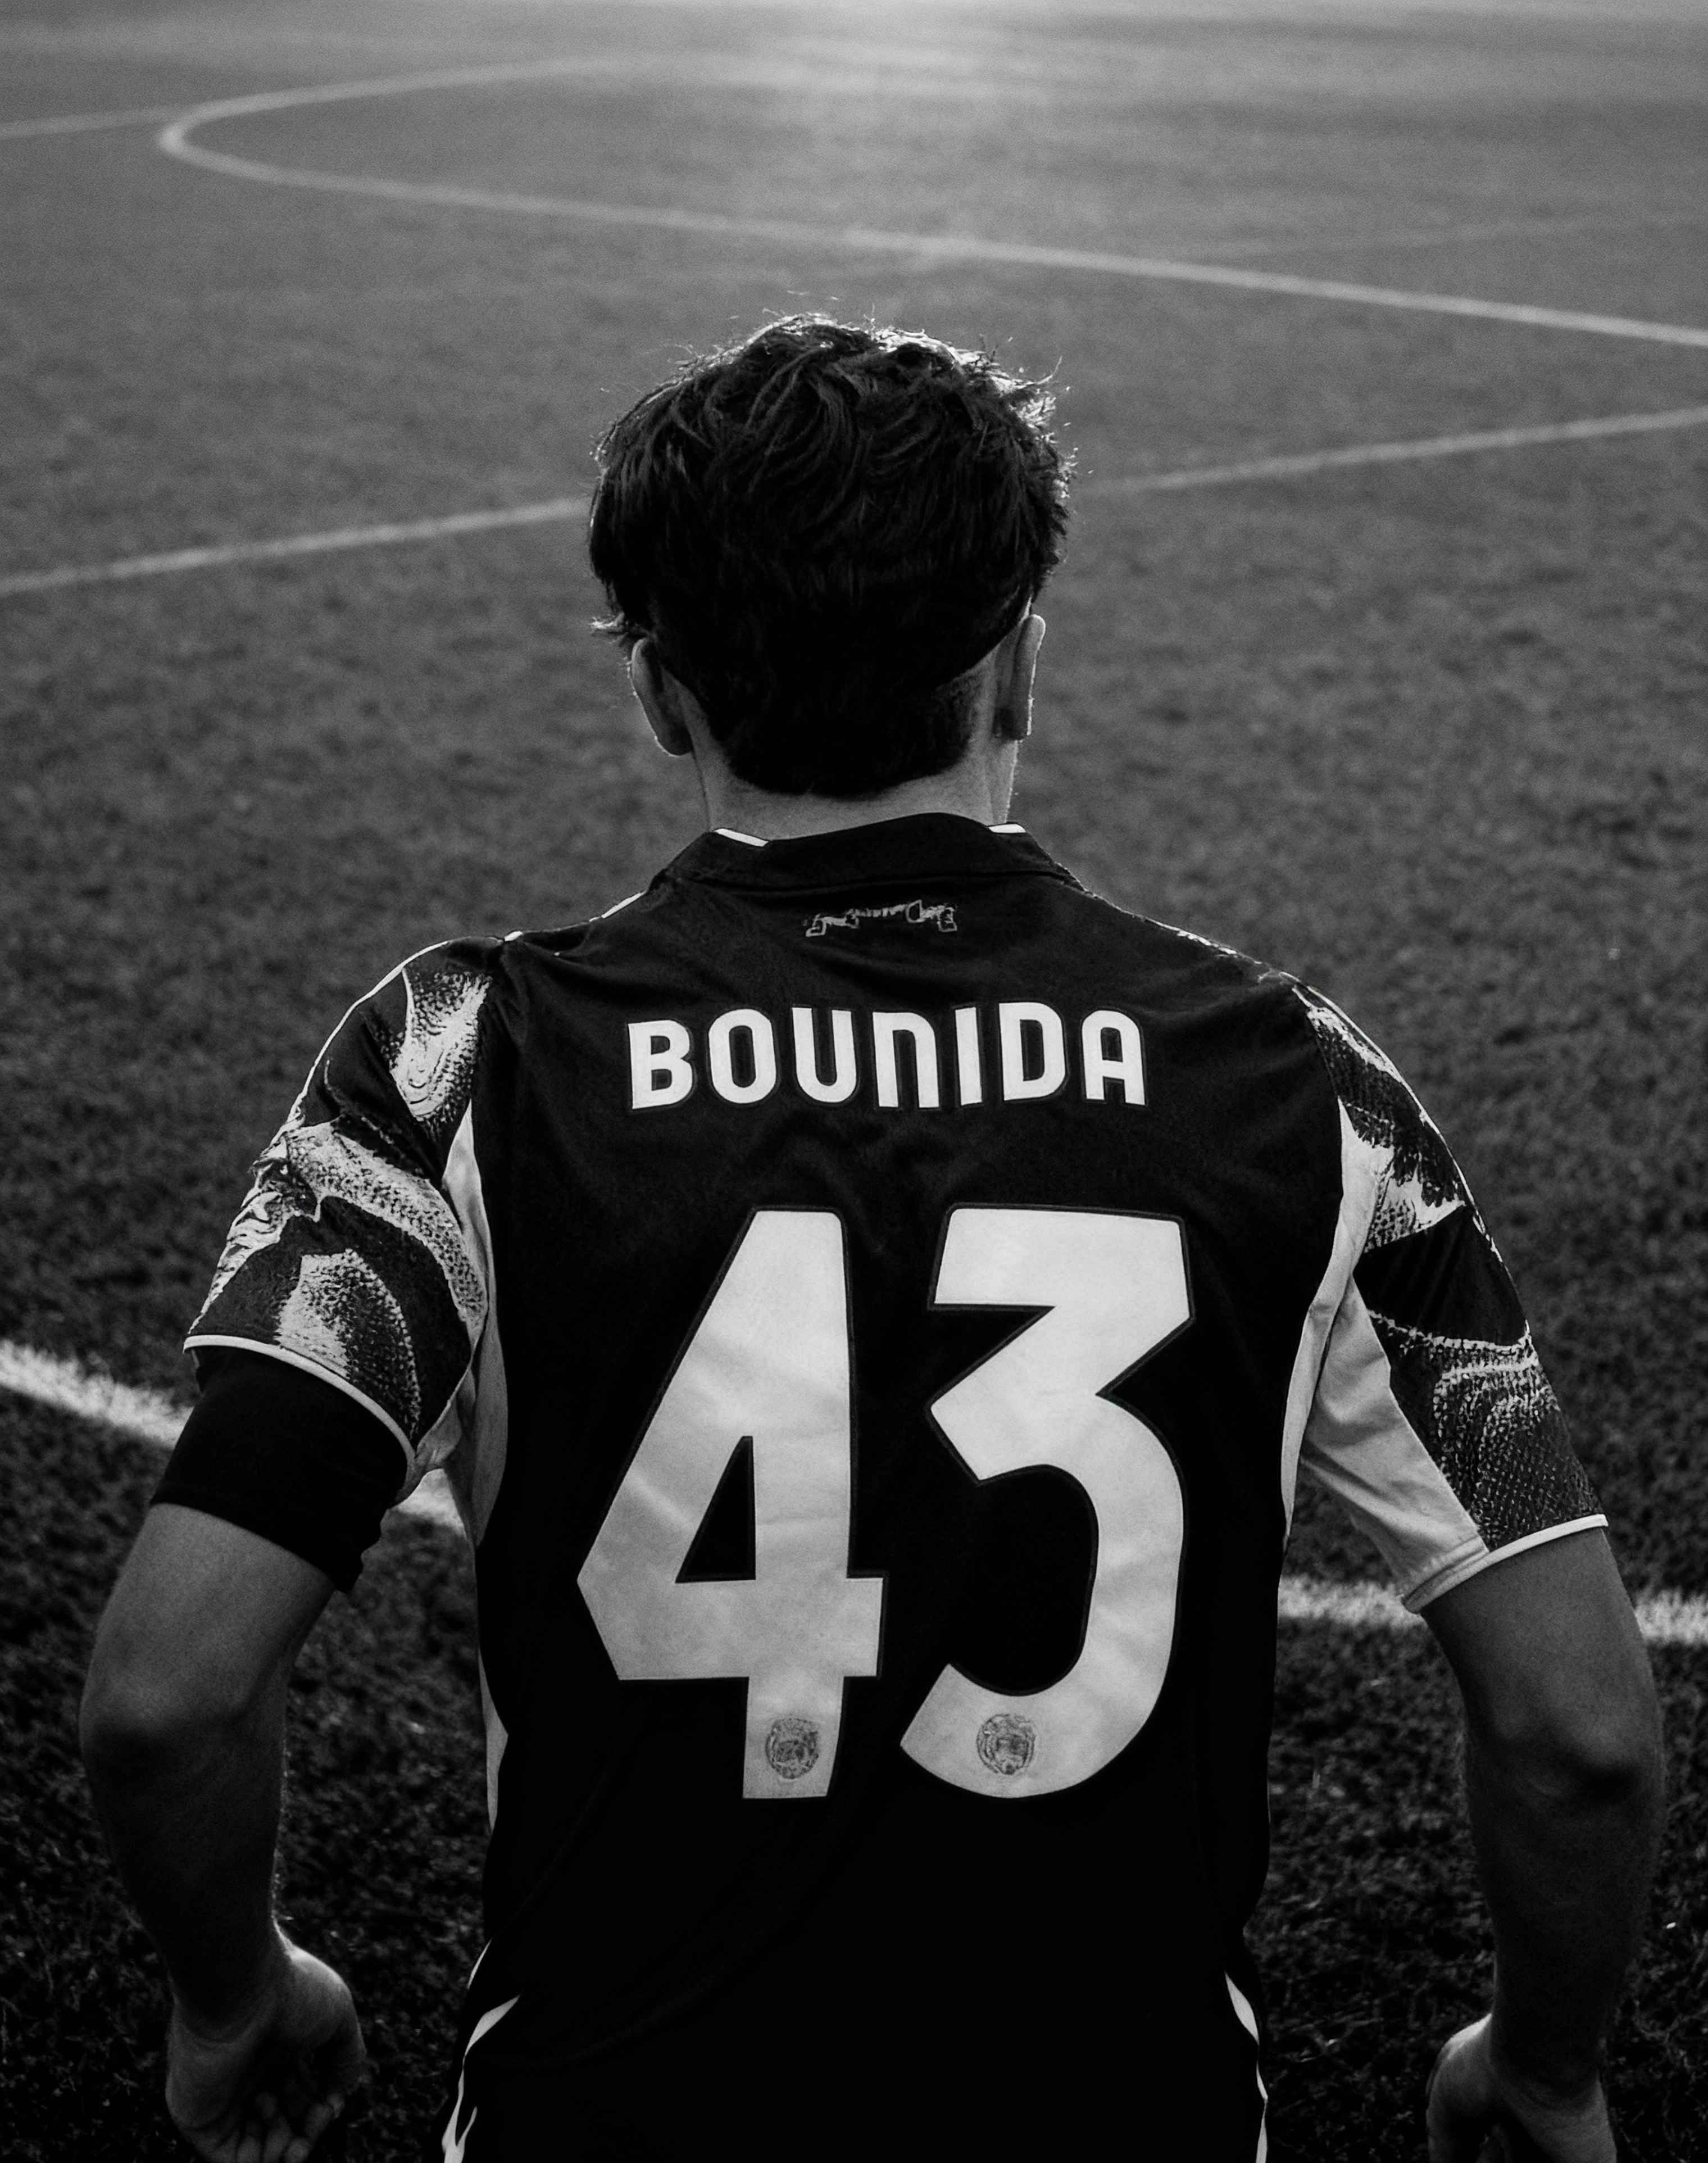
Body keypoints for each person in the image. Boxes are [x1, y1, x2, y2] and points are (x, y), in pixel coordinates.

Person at [82, 317, 1663, 2163]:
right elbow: (1582, 1733)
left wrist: (236, 1996)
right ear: (1022, 668)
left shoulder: (458, 1062)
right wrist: (1541, 2068)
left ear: (661, 693)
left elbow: (170, 1695)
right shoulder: (1304, 1088)